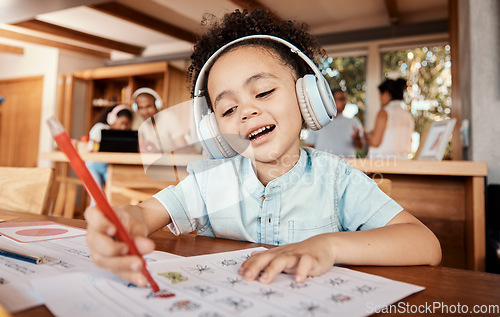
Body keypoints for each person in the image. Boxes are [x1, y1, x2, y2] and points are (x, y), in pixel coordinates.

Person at [85, 9, 441, 287]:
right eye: (227, 109)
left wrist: (328, 246)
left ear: (308, 98)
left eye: (264, 92)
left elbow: (426, 245)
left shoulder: (337, 180)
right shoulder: (209, 182)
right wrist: (124, 222)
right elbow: (145, 215)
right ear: (215, 129)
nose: (247, 111)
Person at [86, 105, 133, 203]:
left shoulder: (123, 134)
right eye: (122, 123)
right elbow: (93, 149)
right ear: (112, 119)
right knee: (97, 197)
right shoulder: (100, 128)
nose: (123, 127)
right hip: (93, 165)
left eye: (127, 124)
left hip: (109, 166)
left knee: (115, 193)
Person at [365, 78, 414, 159]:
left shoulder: (384, 113)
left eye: (380, 95)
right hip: (403, 164)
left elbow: (375, 142)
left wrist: (365, 136)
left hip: (384, 164)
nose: (379, 99)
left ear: (386, 94)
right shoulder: (408, 115)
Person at [305, 89, 364, 157]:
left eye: (345, 99)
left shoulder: (353, 122)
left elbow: (360, 146)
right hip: (323, 165)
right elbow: (310, 145)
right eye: (341, 99)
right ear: (331, 100)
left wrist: (357, 139)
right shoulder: (318, 121)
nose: (344, 102)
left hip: (347, 165)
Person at [131, 88, 189, 153]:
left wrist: (157, 152)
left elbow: (184, 150)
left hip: (172, 162)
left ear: (157, 105)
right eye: (140, 108)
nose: (145, 112)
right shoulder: (142, 124)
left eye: (148, 106)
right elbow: (141, 151)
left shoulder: (169, 118)